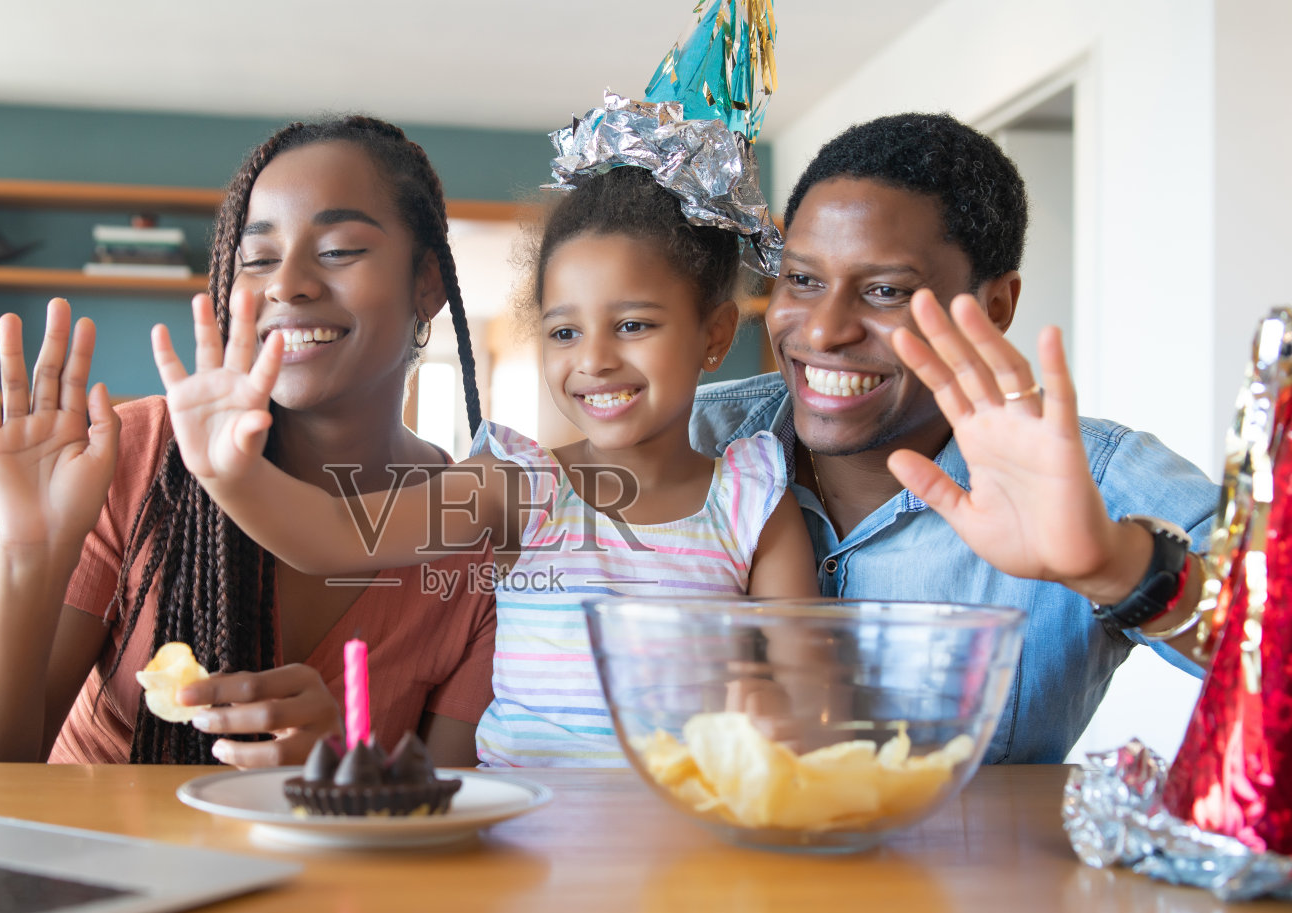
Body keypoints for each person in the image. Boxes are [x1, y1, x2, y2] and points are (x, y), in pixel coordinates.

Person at [147, 162, 819, 768]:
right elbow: (335, 535)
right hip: (522, 850)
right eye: (564, 332)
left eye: (634, 325)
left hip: (688, 852)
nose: (593, 360)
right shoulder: (519, 486)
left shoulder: (752, 501)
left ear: (716, 335)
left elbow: (805, 698)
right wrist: (229, 475)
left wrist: (774, 711)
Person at [0, 117, 497, 768]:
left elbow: (453, 819)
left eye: (338, 249)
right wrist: (27, 551)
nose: (287, 284)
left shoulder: (471, 539)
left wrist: (341, 772)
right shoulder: (135, 455)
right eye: (257, 259)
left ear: (427, 282)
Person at [689, 112, 1218, 764]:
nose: (822, 331)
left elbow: (1269, 640)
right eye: (803, 279)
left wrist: (1120, 567)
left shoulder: (1089, 478)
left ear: (995, 308)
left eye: (885, 290)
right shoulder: (688, 444)